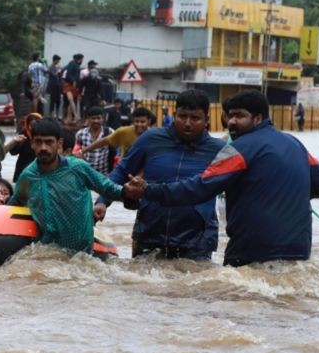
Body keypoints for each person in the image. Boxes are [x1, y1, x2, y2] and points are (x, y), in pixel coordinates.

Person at [125, 90, 319, 267]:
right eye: (230, 115)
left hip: (251, 252)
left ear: (258, 118)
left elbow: (199, 188)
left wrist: (148, 190)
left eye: (240, 116)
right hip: (298, 251)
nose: (232, 122)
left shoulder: (238, 149)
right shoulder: (294, 144)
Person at [94, 90, 225, 261]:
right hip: (149, 232)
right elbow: (122, 171)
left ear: (207, 119)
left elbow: (237, 190)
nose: (187, 123)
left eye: (195, 118)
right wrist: (102, 202)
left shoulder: (219, 150)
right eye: (182, 116)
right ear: (174, 114)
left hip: (197, 240)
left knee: (194, 285)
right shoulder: (151, 139)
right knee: (141, 284)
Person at [8, 118, 130, 254]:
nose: (43, 148)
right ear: (32, 144)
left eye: (49, 142)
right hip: (47, 256)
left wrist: (130, 192)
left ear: (59, 143)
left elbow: (108, 188)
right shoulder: (27, 176)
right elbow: (14, 205)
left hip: (82, 256)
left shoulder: (78, 168)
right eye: (38, 142)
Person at [76, 107, 153, 163]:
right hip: (125, 170)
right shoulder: (123, 131)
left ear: (149, 121)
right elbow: (103, 141)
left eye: (142, 122)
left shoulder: (154, 136)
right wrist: (83, 151)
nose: (139, 124)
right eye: (137, 121)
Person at [75, 106, 114, 175]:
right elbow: (76, 151)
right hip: (85, 173)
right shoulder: (80, 134)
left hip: (104, 175)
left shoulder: (109, 132)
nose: (96, 121)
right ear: (88, 119)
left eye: (98, 118)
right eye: (93, 118)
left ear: (103, 119)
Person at [9, 112, 43, 182]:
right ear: (27, 125)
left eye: (36, 125)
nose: (33, 128)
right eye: (31, 125)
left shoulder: (44, 136)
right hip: (22, 170)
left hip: (39, 172)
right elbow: (13, 152)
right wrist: (17, 142)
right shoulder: (23, 135)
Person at [62, 53, 83, 123]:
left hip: (73, 85)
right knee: (70, 100)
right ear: (79, 59)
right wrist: (73, 80)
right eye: (82, 59)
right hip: (69, 84)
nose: (82, 61)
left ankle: (69, 118)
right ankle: (75, 115)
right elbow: (68, 73)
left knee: (71, 102)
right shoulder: (72, 63)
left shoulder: (77, 65)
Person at [46, 55, 63, 119]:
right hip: (52, 86)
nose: (58, 61)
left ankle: (57, 113)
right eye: (58, 60)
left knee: (58, 100)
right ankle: (51, 114)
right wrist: (58, 71)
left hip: (58, 85)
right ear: (55, 60)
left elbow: (60, 76)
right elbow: (54, 75)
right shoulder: (51, 67)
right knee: (52, 100)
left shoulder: (58, 67)